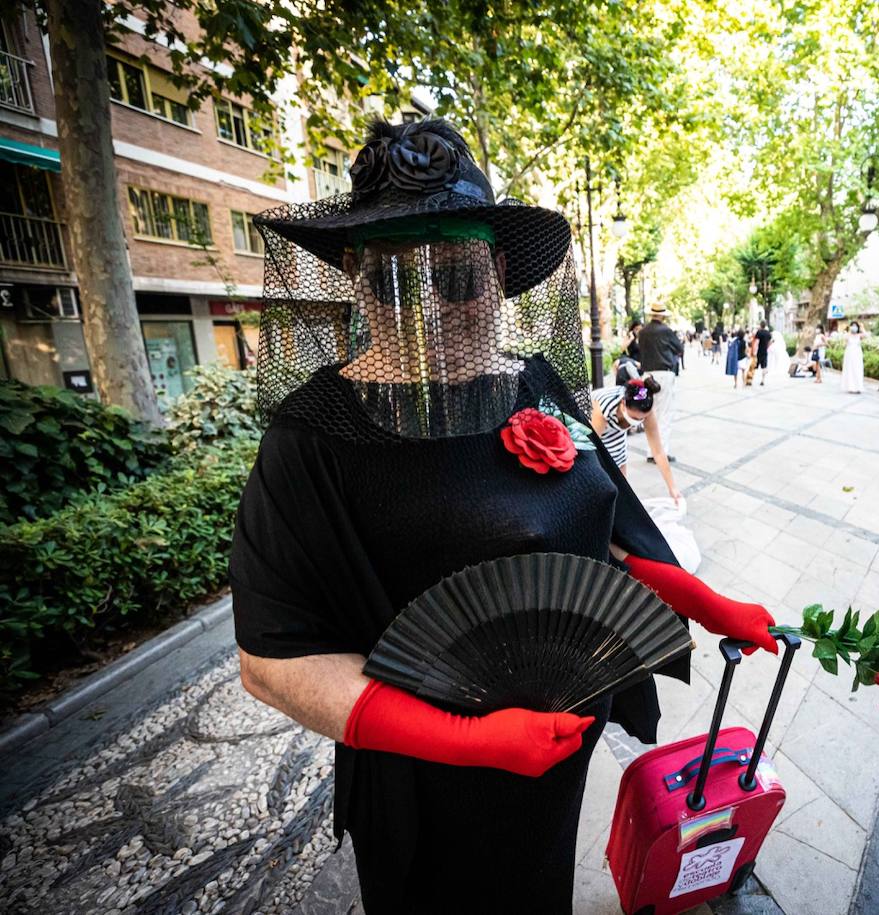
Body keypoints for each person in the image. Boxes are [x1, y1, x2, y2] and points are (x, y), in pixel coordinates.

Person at [231, 119, 776, 914]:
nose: (428, 311)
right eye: (392, 283)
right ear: (355, 280)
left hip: (555, 754)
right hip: (422, 784)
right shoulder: (311, 438)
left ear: (497, 271)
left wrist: (708, 603)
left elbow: (604, 519)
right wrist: (466, 740)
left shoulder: (535, 381)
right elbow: (272, 660)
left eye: (455, 279)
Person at [591, 377, 680, 503]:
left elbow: (658, 451)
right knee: (602, 481)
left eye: (641, 419)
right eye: (634, 418)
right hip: (593, 427)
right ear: (623, 403)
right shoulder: (602, 407)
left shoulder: (646, 411)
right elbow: (591, 449)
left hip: (616, 427)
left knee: (622, 486)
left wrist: (673, 488)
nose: (637, 423)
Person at [637, 302, 683, 463]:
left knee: (651, 413)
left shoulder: (642, 332)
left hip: (647, 376)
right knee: (664, 414)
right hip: (664, 374)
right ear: (663, 315)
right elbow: (679, 348)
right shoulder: (666, 331)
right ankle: (661, 452)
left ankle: (651, 452)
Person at [841, 321, 865, 393]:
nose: (854, 327)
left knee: (857, 369)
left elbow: (866, 335)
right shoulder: (847, 335)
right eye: (852, 326)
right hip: (849, 354)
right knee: (850, 370)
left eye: (855, 326)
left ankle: (858, 387)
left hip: (857, 354)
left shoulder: (859, 335)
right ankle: (850, 387)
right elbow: (844, 345)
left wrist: (862, 327)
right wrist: (847, 338)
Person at [754, 321, 773, 385]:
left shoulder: (759, 332)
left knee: (755, 365)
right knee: (764, 366)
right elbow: (771, 341)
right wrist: (767, 347)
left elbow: (756, 341)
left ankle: (751, 379)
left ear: (760, 325)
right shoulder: (768, 333)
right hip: (765, 351)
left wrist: (754, 350)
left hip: (759, 351)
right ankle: (763, 380)